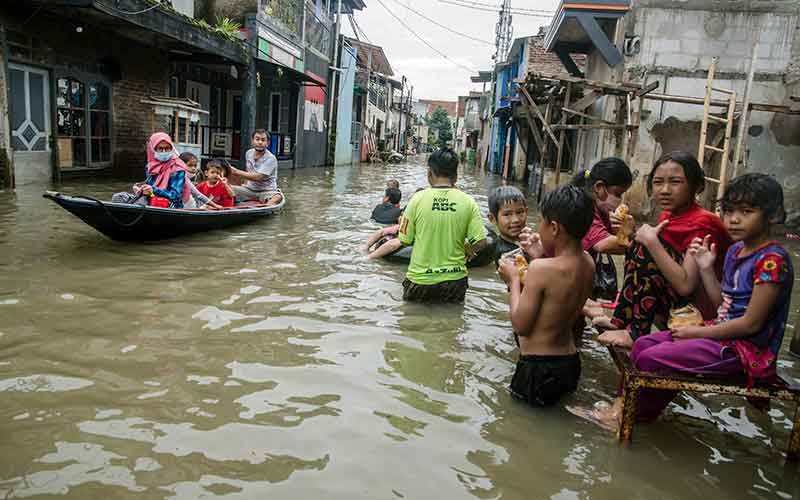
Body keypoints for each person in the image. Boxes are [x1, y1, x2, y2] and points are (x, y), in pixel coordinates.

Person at [592, 173, 793, 427]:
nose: (734, 219)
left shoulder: (772, 261)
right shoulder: (735, 251)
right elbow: (724, 306)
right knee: (643, 345)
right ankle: (621, 408)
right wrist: (707, 269)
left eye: (746, 211)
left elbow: (751, 324)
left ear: (772, 216)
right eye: (729, 211)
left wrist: (697, 334)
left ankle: (631, 418)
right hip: (720, 335)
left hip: (743, 351)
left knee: (652, 359)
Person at [595, 152, 732, 348]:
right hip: (680, 303)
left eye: (675, 182)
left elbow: (686, 285)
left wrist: (650, 241)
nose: (665, 190)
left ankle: (636, 333)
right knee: (638, 245)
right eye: (658, 182)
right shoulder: (669, 215)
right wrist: (631, 233)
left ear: (696, 186)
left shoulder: (703, 223)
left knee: (645, 246)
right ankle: (621, 320)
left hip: (706, 313)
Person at [497, 185, 595, 406]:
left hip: (538, 368)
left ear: (553, 228)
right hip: (569, 361)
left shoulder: (541, 269)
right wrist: (539, 255)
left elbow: (521, 325)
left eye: (540, 221)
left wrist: (513, 279)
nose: (538, 227)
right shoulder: (588, 262)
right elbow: (559, 297)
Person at [397, 148, 487, 302]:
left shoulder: (417, 199)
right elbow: (481, 242)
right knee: (452, 323)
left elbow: (404, 240)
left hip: (420, 281)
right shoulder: (468, 201)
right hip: (455, 281)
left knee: (411, 323)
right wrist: (467, 249)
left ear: (429, 173)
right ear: (456, 177)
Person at [228, 129, 283, 206]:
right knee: (227, 188)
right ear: (252, 141)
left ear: (268, 143)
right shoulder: (248, 153)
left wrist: (236, 171)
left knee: (278, 197)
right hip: (249, 190)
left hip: (267, 191)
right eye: (257, 139)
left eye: (263, 140)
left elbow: (259, 177)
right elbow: (249, 171)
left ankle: (264, 208)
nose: (260, 142)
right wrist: (245, 184)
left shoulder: (271, 158)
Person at [487, 186, 528, 264]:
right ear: (492, 218)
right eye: (507, 214)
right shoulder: (506, 254)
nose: (516, 220)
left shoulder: (527, 243)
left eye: (520, 212)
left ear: (526, 212)